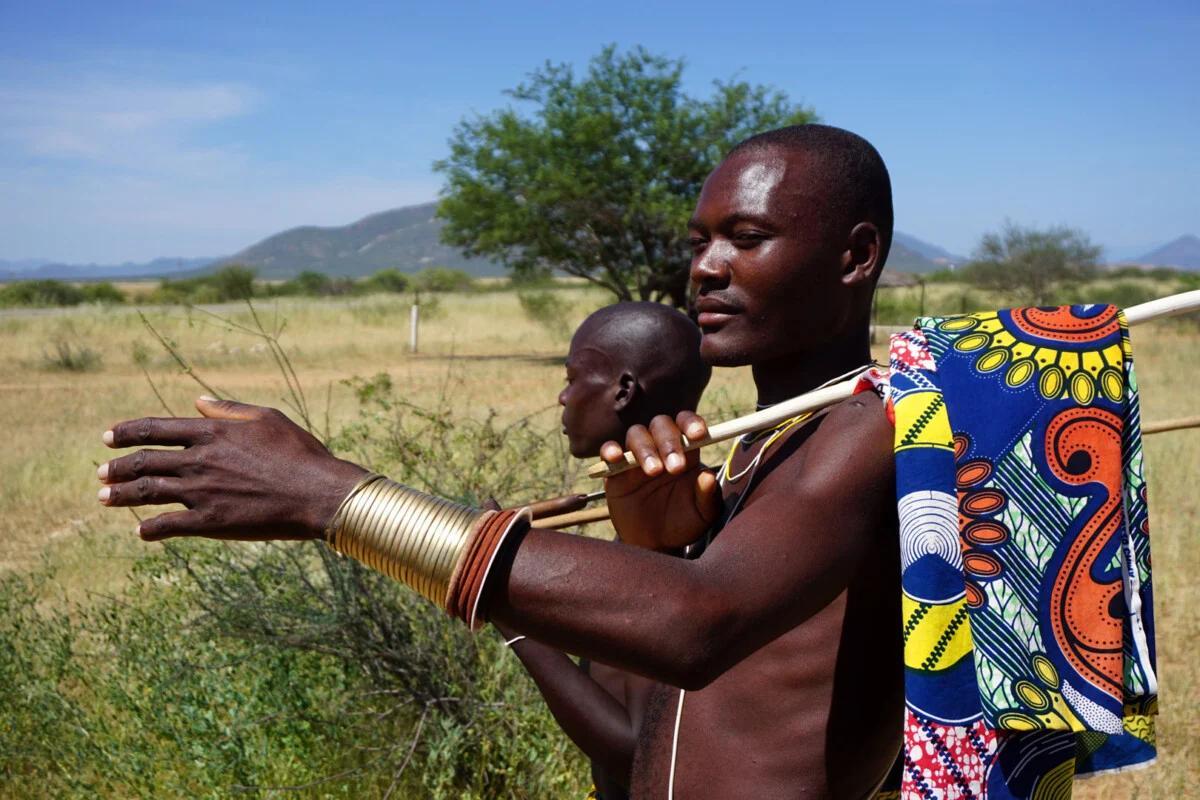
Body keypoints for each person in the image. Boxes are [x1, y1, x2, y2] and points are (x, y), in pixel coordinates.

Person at [97, 123, 903, 798]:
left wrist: (333, 498)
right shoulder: (760, 443)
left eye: (747, 238)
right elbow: (686, 686)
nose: (705, 267)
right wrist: (659, 551)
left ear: (854, 256)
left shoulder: (868, 426)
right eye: (699, 241)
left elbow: (696, 624)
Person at [498, 300, 710, 799]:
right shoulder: (660, 512)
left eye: (574, 378)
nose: (562, 396)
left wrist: (501, 596)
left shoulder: (668, 537)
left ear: (623, 391)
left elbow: (635, 751)